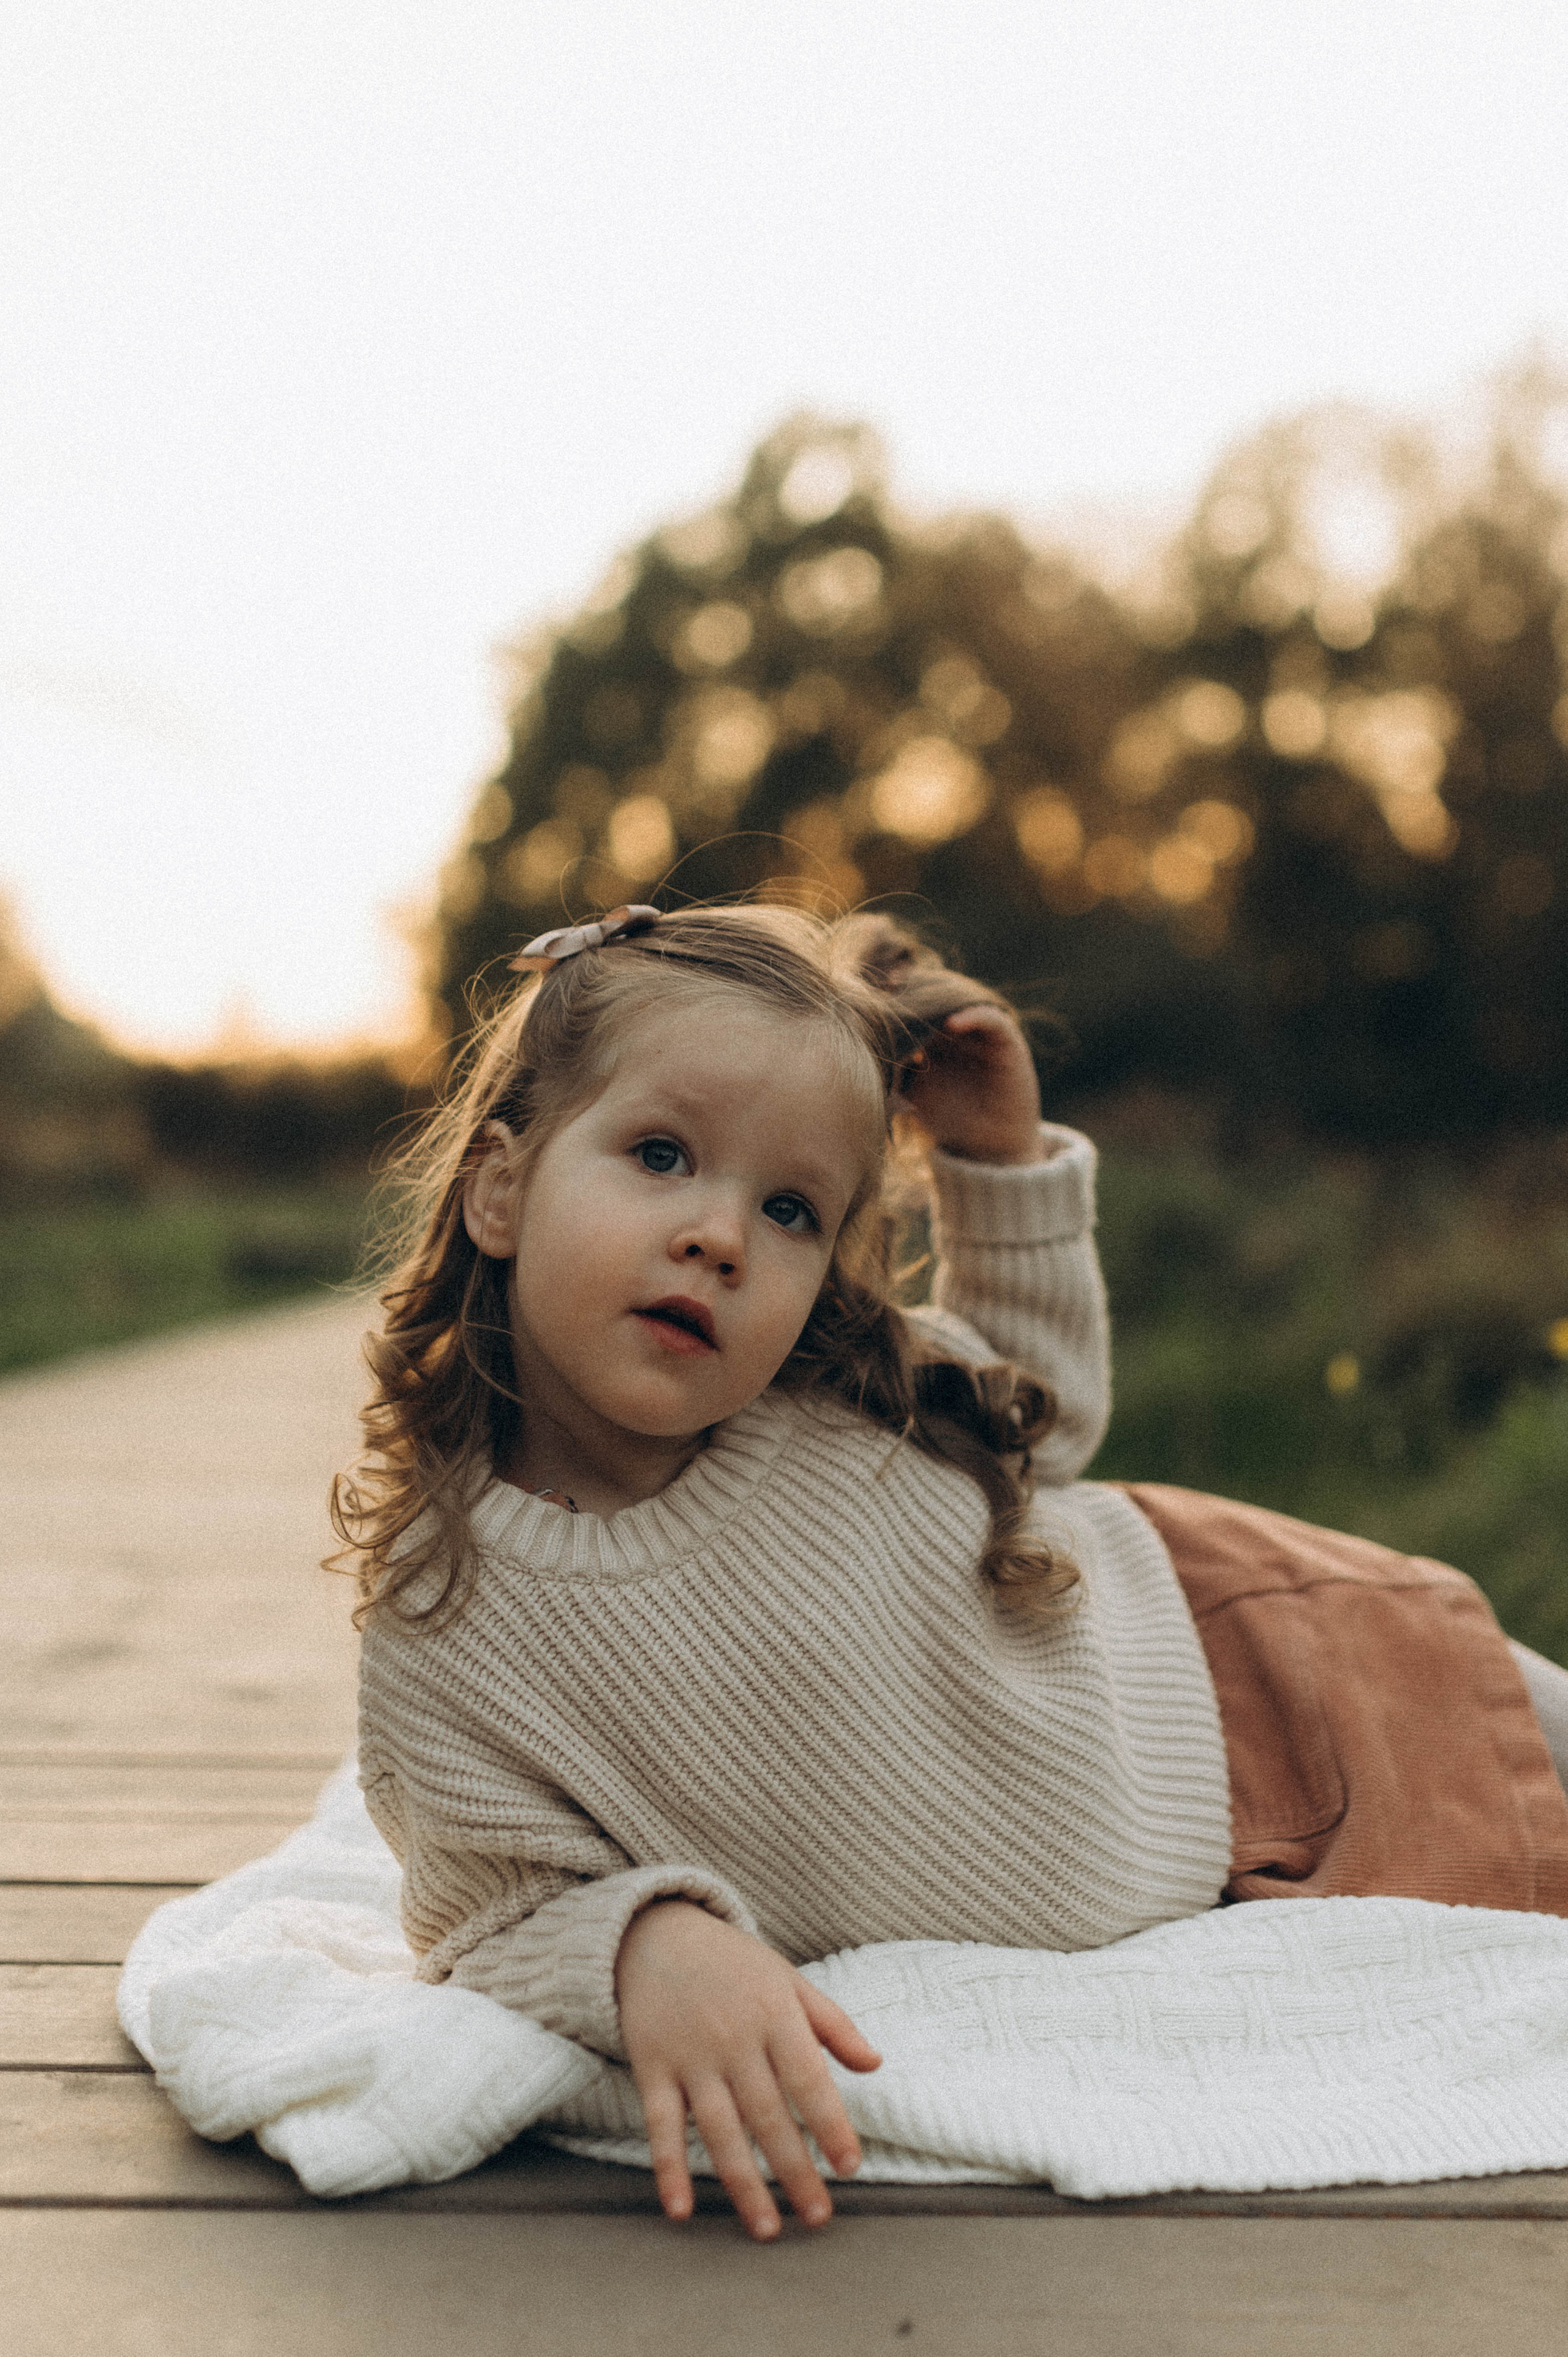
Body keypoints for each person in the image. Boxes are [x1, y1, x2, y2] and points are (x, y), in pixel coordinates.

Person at [339, 900, 1568, 2242]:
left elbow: (1050, 1413)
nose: (720, 1234)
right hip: (1233, 1857)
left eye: (791, 1206)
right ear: (499, 1185)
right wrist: (647, 1943)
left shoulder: (826, 1403)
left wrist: (992, 1157)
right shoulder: (442, 1619)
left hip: (1242, 1644)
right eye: (659, 1153)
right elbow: (490, 1905)